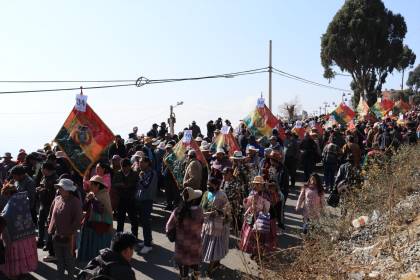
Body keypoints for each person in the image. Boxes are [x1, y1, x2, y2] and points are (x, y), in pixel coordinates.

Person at [0, 183, 38, 279]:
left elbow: (6, 216)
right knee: (24, 255)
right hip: (27, 233)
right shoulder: (22, 200)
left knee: (16, 256)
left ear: (8, 194)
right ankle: (23, 271)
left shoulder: (12, 203)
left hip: (15, 236)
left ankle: (16, 273)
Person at [166, 187, 204, 280]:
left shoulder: (177, 211)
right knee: (195, 266)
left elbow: (168, 227)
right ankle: (195, 278)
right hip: (195, 245)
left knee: (183, 268)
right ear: (194, 199)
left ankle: (184, 277)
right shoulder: (199, 211)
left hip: (181, 246)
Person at [48, 179, 83, 280]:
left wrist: (68, 232)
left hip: (69, 237)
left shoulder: (75, 202)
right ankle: (60, 277)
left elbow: (78, 220)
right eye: (59, 188)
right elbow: (51, 214)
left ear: (68, 190)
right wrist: (51, 228)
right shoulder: (57, 199)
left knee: (69, 260)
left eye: (61, 188)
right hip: (56, 235)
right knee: (59, 259)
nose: (59, 190)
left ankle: (71, 277)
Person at [78, 175, 113, 263]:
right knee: (89, 244)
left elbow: (101, 210)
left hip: (100, 227)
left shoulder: (103, 195)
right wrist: (88, 200)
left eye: (92, 184)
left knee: (97, 247)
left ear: (97, 185)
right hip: (90, 224)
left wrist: (93, 200)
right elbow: (84, 208)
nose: (90, 186)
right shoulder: (93, 194)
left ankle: (97, 263)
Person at [200, 176, 231, 276]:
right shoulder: (206, 193)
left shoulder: (222, 195)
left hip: (217, 226)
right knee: (206, 245)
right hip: (206, 224)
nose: (208, 186)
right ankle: (215, 262)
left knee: (214, 246)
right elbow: (202, 206)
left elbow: (227, 209)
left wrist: (218, 213)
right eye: (207, 184)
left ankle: (211, 267)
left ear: (216, 185)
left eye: (210, 184)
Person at [240, 176, 271, 258]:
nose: (256, 186)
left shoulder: (265, 195)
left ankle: (258, 253)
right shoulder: (252, 193)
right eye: (255, 184)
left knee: (259, 236)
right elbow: (247, 205)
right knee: (250, 235)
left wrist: (260, 207)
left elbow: (266, 209)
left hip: (260, 219)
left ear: (261, 185)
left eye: (258, 184)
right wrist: (246, 202)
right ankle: (252, 251)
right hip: (251, 216)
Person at [135, 157, 158, 254]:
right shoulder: (143, 173)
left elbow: (146, 186)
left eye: (141, 163)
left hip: (147, 200)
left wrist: (141, 177)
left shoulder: (152, 173)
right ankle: (148, 240)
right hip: (141, 200)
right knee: (144, 222)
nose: (139, 164)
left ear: (147, 163)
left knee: (146, 222)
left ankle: (148, 245)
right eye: (139, 163)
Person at [112, 158, 139, 237]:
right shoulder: (117, 174)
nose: (124, 169)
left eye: (125, 167)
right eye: (122, 167)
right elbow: (113, 184)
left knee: (133, 219)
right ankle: (119, 237)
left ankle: (134, 236)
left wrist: (131, 186)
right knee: (120, 220)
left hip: (131, 199)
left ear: (129, 166)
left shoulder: (134, 174)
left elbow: (138, 185)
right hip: (121, 199)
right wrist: (119, 184)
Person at [36, 162, 58, 249]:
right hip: (43, 203)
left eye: (42, 168)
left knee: (50, 225)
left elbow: (54, 193)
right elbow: (43, 187)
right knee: (40, 223)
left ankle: (49, 244)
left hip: (50, 204)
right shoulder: (44, 177)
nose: (41, 170)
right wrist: (40, 189)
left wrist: (42, 190)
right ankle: (40, 240)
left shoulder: (55, 179)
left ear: (46, 169)